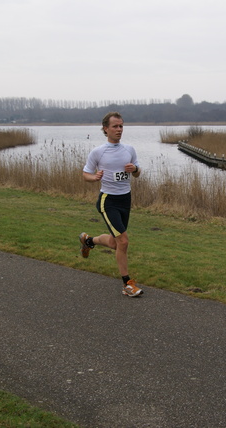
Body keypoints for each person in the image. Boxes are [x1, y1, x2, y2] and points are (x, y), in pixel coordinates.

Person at [79, 112, 143, 297]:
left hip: (126, 199)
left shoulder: (129, 150)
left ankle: (88, 241)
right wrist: (95, 177)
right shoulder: (98, 152)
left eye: (121, 126)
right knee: (123, 241)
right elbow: (86, 174)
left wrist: (135, 169)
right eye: (115, 126)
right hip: (108, 200)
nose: (119, 130)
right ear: (105, 129)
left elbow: (138, 173)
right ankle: (127, 284)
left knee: (116, 244)